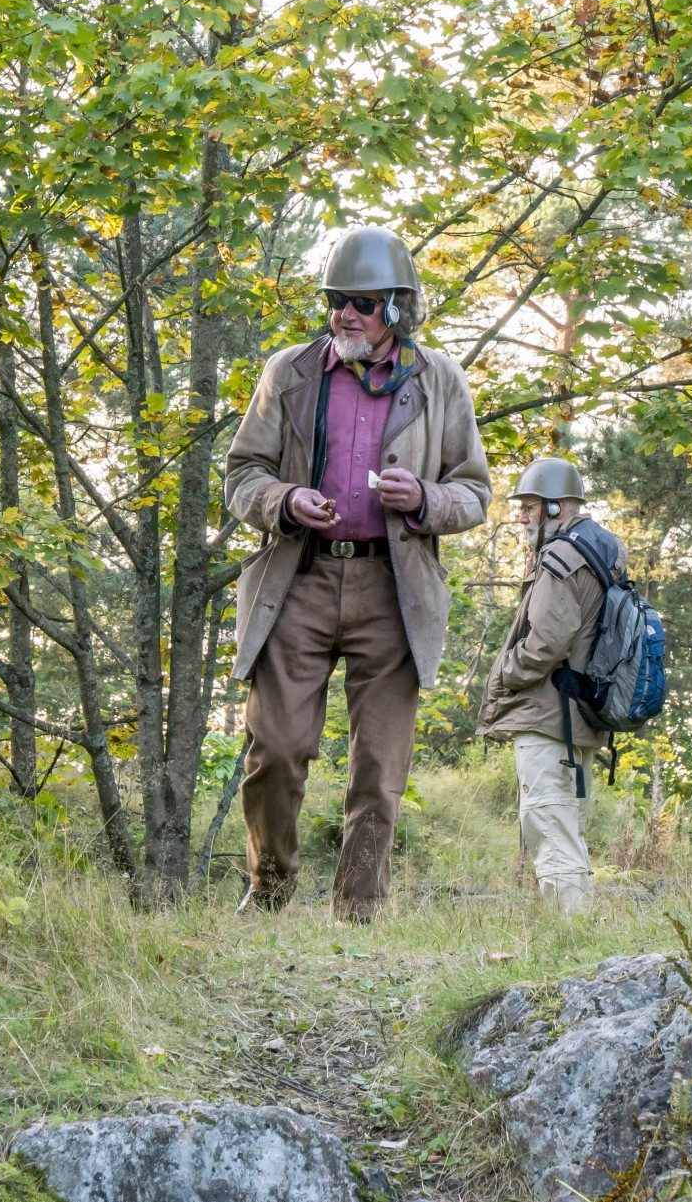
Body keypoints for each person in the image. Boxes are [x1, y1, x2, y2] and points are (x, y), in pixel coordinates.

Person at [222, 226, 492, 920]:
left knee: (379, 767)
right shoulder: (290, 371)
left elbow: (475, 492)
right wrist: (283, 499)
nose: (345, 313)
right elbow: (241, 473)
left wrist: (426, 500)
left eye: (362, 302)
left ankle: (358, 913)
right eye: (337, 299)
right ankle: (271, 886)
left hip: (393, 590)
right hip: (299, 578)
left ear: (398, 309)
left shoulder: (439, 380)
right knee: (275, 747)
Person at [476, 456, 616, 915]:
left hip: (549, 715)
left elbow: (547, 642)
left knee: (549, 824)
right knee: (563, 822)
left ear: (556, 509)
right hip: (576, 717)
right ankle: (572, 930)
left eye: (530, 507)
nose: (520, 516)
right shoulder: (599, 552)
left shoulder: (560, 558)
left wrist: (506, 672)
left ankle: (567, 932)